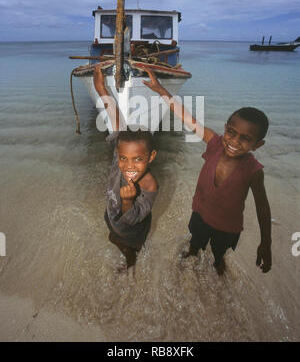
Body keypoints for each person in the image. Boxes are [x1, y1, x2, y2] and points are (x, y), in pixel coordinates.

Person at [142, 69, 272, 276]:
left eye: (245, 139)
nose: (234, 142)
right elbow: (186, 117)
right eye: (231, 132)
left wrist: (266, 244)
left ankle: (219, 264)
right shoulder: (214, 143)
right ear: (226, 128)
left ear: (258, 145)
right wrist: (160, 90)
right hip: (201, 214)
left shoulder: (253, 170)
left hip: (228, 227)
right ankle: (191, 256)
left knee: (219, 255)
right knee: (195, 244)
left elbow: (263, 208)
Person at [93, 65, 158, 271]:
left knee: (128, 246)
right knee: (112, 232)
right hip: (111, 212)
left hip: (132, 228)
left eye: (138, 159)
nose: (129, 165)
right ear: (118, 153)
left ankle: (131, 262)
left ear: (151, 157)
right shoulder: (118, 158)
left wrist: (128, 201)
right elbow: (117, 122)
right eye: (123, 158)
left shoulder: (149, 184)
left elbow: (136, 217)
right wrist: (101, 90)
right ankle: (117, 237)